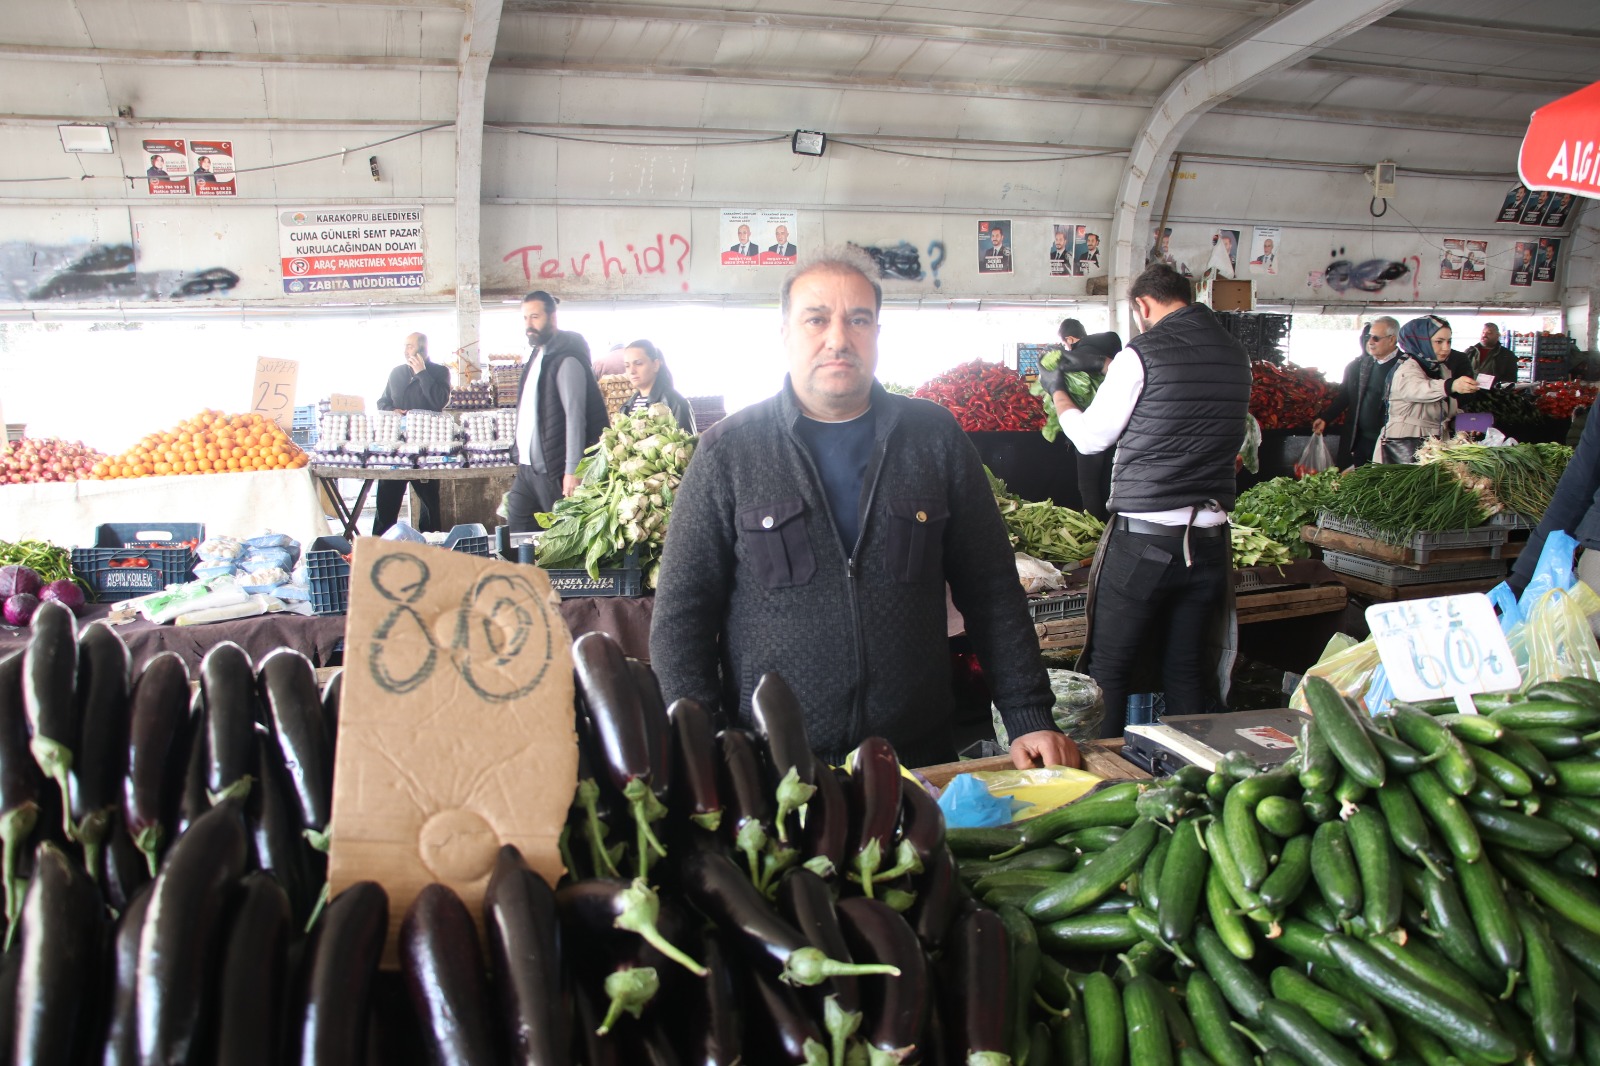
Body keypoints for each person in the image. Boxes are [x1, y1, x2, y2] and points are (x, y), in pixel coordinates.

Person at [649, 249, 1078, 771]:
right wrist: (702, 744)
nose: (838, 338)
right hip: (775, 768)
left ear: (877, 332)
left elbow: (991, 588)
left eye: (858, 320)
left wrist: (1028, 713)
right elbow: (681, 617)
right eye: (816, 319)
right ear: (784, 332)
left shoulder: (934, 438)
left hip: (918, 760)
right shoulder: (729, 453)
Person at [1039, 263, 1251, 737]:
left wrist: (1058, 395)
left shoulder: (1145, 352)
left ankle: (1112, 784)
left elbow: (1093, 438)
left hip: (1145, 546)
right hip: (1210, 542)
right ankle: (1186, 773)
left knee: (1109, 667)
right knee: (1186, 667)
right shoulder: (1236, 354)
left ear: (1142, 306)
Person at [506, 290, 609, 531]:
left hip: (553, 469)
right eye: (525, 318)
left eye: (535, 317)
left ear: (552, 318)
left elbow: (576, 418)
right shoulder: (538, 356)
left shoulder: (566, 360)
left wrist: (573, 469)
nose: (529, 325)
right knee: (517, 526)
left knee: (562, 536)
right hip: (527, 469)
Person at [373, 333, 450, 535]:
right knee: (386, 502)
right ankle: (380, 546)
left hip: (427, 448)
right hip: (397, 447)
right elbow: (382, 401)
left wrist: (422, 373)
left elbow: (439, 402)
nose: (405, 350)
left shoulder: (440, 372)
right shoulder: (397, 373)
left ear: (422, 349)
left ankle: (431, 547)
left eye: (409, 346)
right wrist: (392, 410)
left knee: (429, 506)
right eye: (405, 346)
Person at [1378, 315, 1479, 463]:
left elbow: (1443, 408)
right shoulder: (1406, 368)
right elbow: (1419, 389)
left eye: (1449, 341)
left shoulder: (1441, 369)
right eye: (1439, 342)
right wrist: (1452, 385)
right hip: (1404, 445)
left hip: (1431, 445)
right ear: (1420, 341)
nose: (1446, 348)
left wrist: (1466, 422)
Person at [1313, 318, 1401, 468]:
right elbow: (1346, 395)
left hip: (1388, 441)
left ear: (1392, 339)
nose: (1370, 342)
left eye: (1376, 338)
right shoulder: (1360, 366)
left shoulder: (1405, 367)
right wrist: (1326, 417)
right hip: (1359, 439)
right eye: (1368, 337)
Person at [618, 339, 696, 431]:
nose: (631, 371)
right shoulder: (626, 407)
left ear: (655, 365)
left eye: (638, 363)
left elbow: (689, 443)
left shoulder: (676, 403)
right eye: (627, 366)